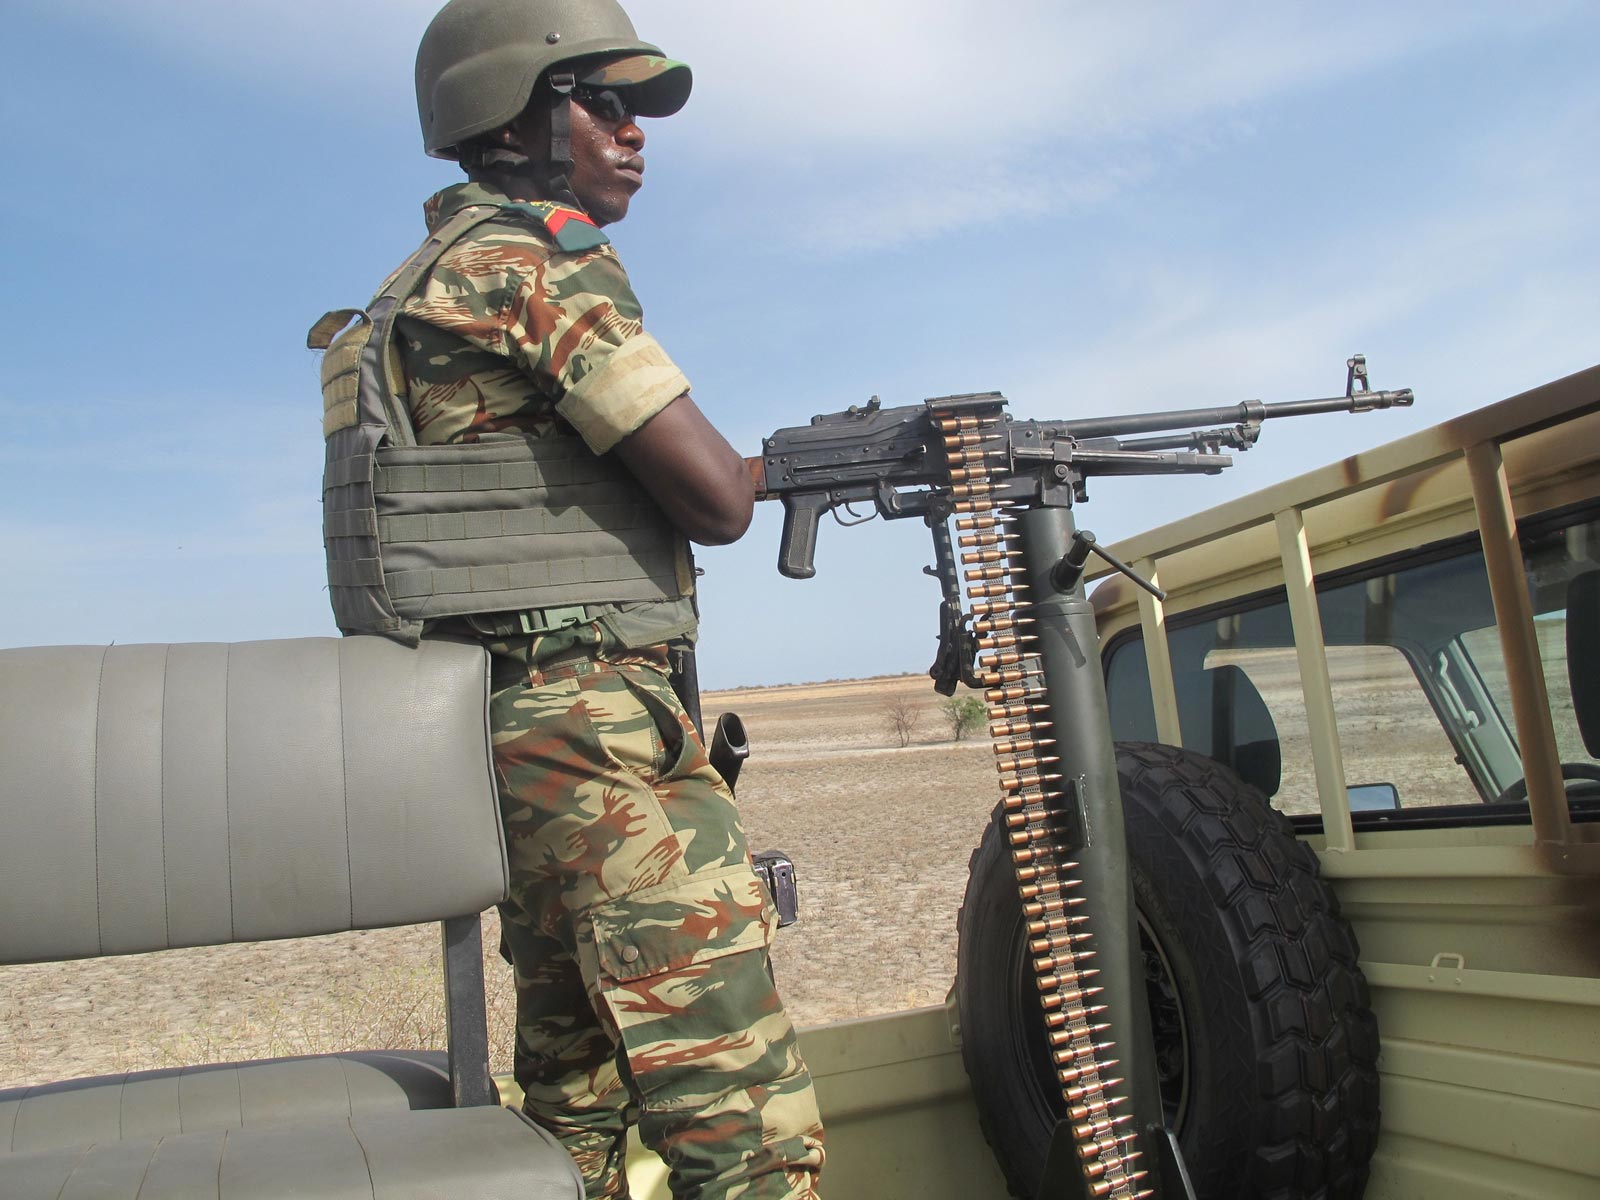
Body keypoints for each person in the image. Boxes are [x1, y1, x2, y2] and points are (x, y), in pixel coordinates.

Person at [310, 1, 825, 1196]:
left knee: (575, 1104)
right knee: (745, 1133)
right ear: (509, 112)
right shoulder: (528, 261)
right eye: (605, 102)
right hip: (592, 735)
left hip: (497, 736)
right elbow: (713, 497)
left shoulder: (414, 283)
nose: (635, 132)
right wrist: (790, 470)